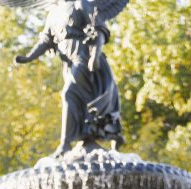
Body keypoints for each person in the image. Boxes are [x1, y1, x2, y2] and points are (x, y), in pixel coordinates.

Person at [15, 0, 125, 155]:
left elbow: (99, 30)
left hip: (84, 58)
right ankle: (88, 136)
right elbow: (46, 40)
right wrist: (28, 57)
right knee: (81, 101)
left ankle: (65, 144)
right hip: (68, 63)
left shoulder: (81, 4)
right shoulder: (54, 12)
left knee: (69, 94)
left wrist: (95, 56)